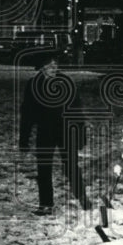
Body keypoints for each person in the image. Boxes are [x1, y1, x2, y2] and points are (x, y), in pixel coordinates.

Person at [19, 57, 92, 215]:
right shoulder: (33, 84)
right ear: (41, 67)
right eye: (49, 64)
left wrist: (81, 133)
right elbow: (27, 112)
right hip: (45, 131)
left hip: (66, 131)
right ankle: (46, 204)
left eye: (55, 64)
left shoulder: (66, 82)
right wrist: (23, 138)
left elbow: (77, 109)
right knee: (44, 168)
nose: (53, 67)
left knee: (71, 166)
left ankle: (83, 199)